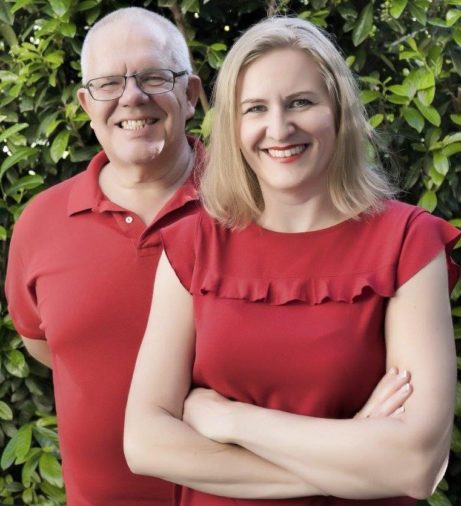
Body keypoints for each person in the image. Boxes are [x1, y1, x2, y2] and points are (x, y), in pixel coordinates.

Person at [124, 16, 460, 505]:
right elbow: (144, 444)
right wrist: (357, 459)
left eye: (301, 102)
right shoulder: (192, 245)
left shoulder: (408, 242)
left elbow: (416, 464)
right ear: (233, 126)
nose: (279, 128)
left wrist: (231, 420)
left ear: (339, 111)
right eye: (255, 108)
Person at [5, 7, 203, 505]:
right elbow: (50, 348)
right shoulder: (40, 223)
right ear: (86, 104)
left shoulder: (255, 206)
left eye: (154, 77)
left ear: (190, 95)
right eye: (109, 83)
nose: (131, 97)